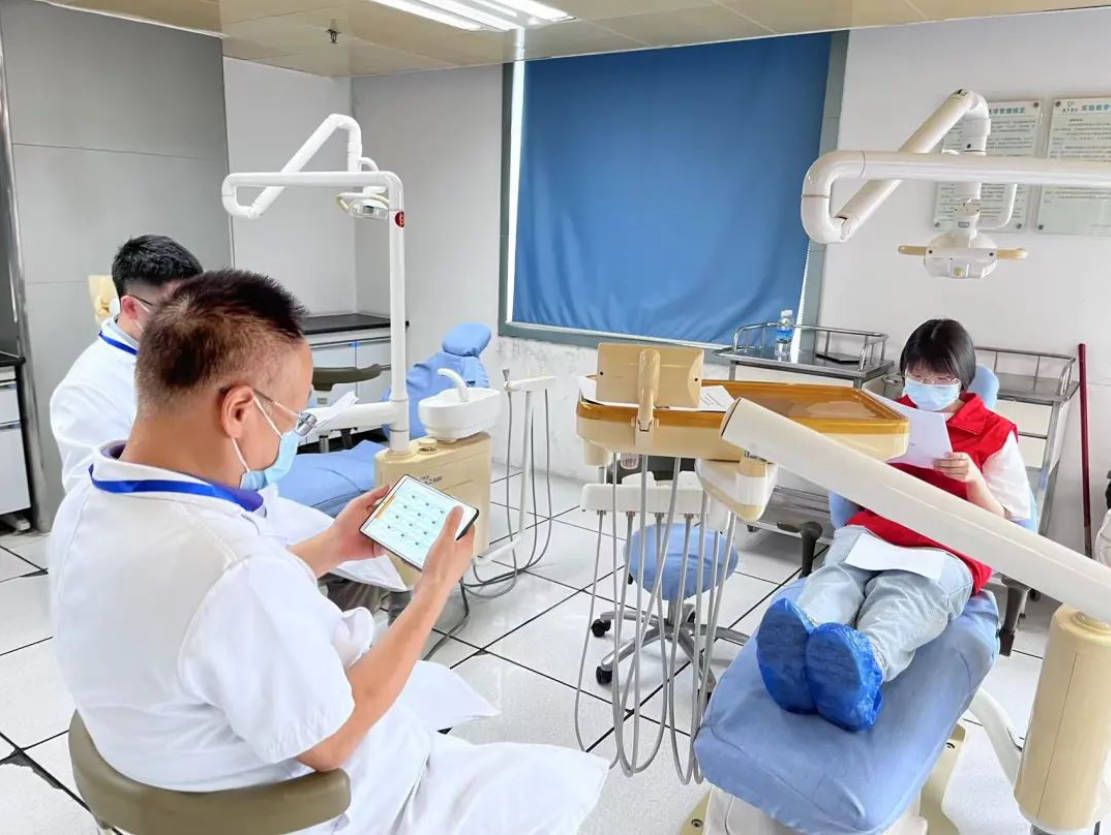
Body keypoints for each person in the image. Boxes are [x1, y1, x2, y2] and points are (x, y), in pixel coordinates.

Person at [49, 270, 606, 833]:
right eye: (294, 417)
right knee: (558, 784)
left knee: (433, 700)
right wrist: (434, 589)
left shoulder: (89, 501)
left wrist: (331, 547)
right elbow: (332, 742)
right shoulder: (234, 570)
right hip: (317, 803)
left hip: (177, 757)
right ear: (238, 411)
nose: (295, 434)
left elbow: (201, 613)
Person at [756, 318, 1031, 732]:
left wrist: (973, 479)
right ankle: (795, 652)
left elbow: (1006, 520)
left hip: (947, 547)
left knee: (903, 599)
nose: (927, 387)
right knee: (837, 579)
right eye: (917, 377)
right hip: (875, 530)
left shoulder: (995, 433)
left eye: (941, 379)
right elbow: (854, 485)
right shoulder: (889, 414)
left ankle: (861, 669)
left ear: (962, 379)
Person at [50, 235, 202, 492]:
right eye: (174, 312)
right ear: (131, 308)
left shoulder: (179, 351)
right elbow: (94, 493)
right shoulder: (86, 389)